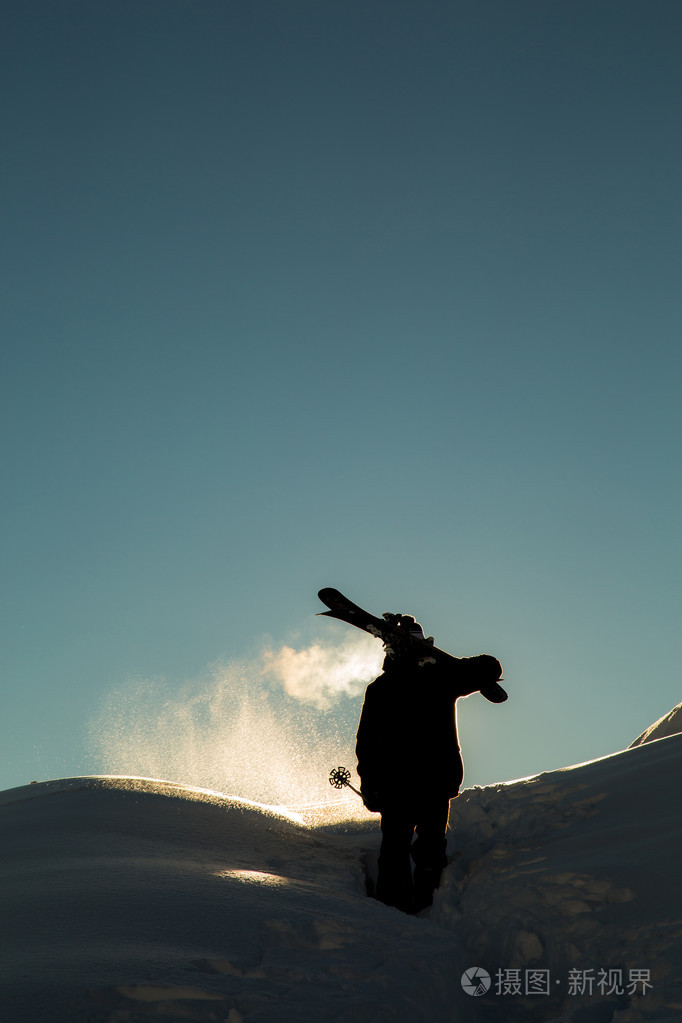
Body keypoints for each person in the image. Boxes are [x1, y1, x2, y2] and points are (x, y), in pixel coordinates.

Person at [355, 612, 505, 914]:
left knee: (421, 847)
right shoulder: (405, 684)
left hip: (425, 780)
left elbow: (490, 666)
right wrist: (369, 783)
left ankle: (420, 906)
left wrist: (369, 782)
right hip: (407, 782)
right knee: (405, 848)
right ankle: (403, 907)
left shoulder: (438, 678)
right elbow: (367, 743)